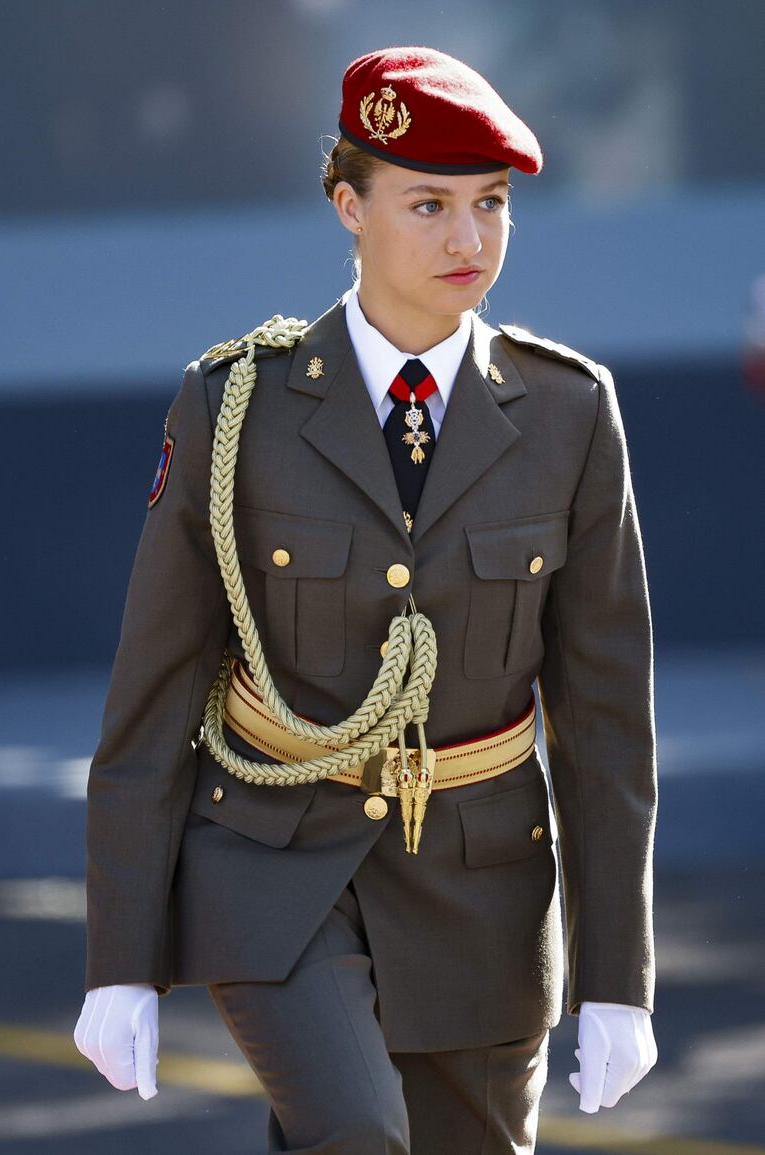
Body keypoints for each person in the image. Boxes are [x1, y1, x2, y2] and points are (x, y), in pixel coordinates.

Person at [74, 45, 658, 1154]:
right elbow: (152, 695)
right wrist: (121, 962)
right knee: (354, 1133)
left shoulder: (569, 413)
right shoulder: (233, 406)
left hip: (481, 886)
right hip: (273, 862)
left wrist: (616, 979)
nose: (466, 239)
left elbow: (603, 722)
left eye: (489, 205)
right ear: (347, 204)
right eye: (426, 203)